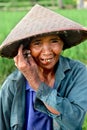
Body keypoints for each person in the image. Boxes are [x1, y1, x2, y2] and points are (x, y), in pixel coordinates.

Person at [0, 4, 87, 130]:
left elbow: (74, 122)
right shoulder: (12, 85)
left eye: (54, 41)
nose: (47, 51)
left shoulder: (78, 73)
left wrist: (36, 83)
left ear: (63, 43)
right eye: (37, 43)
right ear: (26, 49)